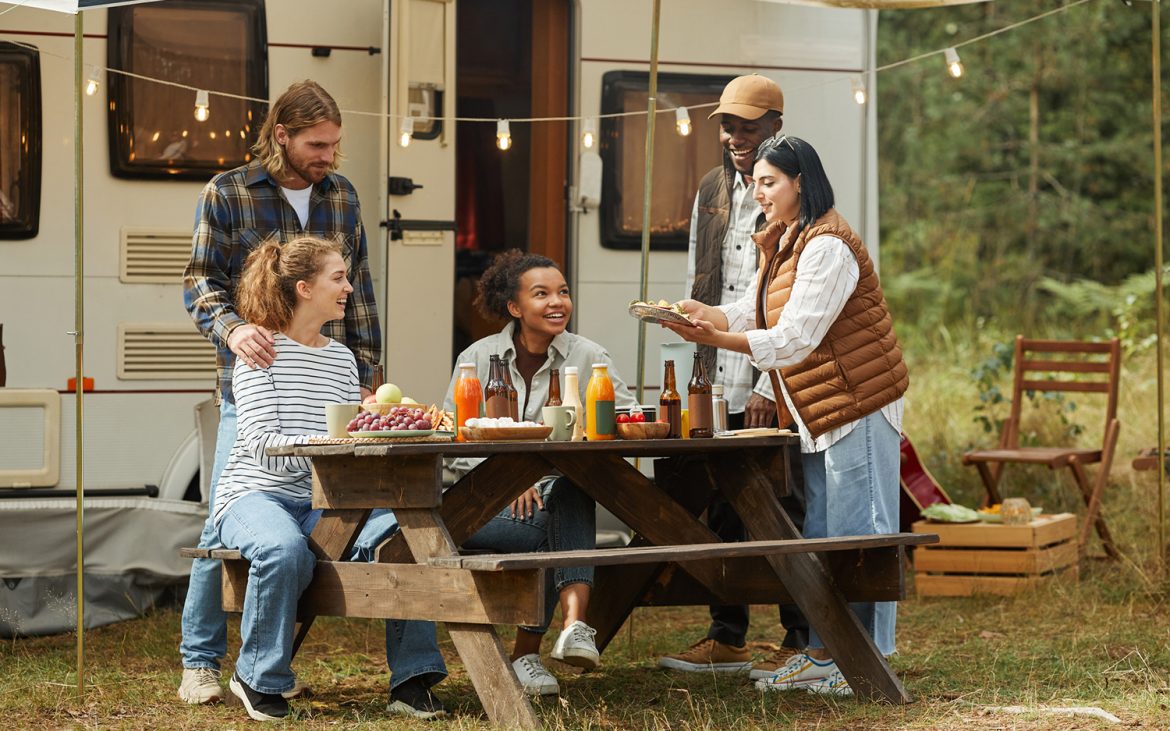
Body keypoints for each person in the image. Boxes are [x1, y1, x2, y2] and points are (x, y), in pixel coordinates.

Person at [180, 80, 447, 719]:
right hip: (257, 369)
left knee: (366, 530)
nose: (329, 155)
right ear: (283, 136)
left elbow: (361, 289)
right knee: (229, 515)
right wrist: (234, 328)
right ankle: (199, 660)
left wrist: (366, 379)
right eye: (317, 144)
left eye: (334, 144)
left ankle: (401, 676)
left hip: (326, 375)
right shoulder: (230, 192)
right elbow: (199, 279)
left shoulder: (341, 196)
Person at [663, 134, 908, 697]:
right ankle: (828, 654)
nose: (759, 193)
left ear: (802, 182)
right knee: (824, 533)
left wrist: (718, 337)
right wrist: (707, 312)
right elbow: (757, 308)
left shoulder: (828, 245)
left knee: (858, 536)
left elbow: (796, 337)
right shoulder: (787, 239)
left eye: (769, 182)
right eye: (755, 184)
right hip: (821, 408)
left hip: (857, 404)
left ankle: (858, 661)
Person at [660, 73, 810, 681]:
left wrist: (770, 384)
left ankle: (802, 637)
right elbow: (709, 280)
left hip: (774, 368)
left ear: (775, 124)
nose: (736, 136)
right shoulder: (711, 188)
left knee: (783, 500)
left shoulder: (798, 189)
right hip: (716, 363)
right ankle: (728, 635)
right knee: (719, 498)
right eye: (728, 125)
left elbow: (795, 303)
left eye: (748, 126)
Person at [442, 249, 637, 696]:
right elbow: (456, 437)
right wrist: (503, 484)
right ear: (514, 307)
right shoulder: (479, 357)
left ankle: (561, 634)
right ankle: (538, 647)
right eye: (542, 293)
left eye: (563, 292)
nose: (557, 302)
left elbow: (624, 418)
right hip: (476, 508)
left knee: (567, 494)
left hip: (551, 501)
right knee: (562, 514)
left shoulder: (588, 356)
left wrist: (596, 429)